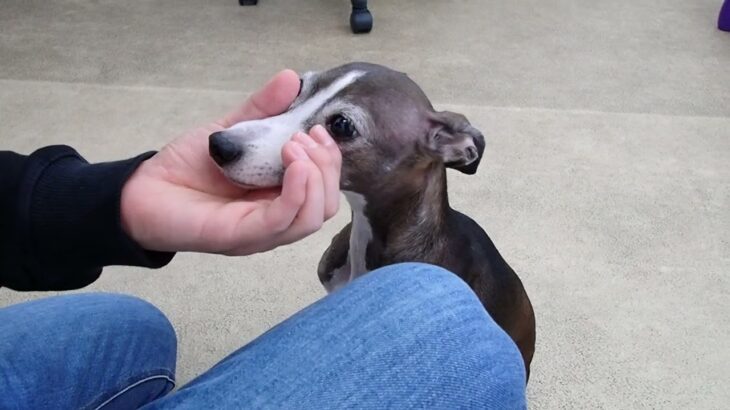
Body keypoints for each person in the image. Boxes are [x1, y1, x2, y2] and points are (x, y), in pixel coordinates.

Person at [0, 70, 527, 409]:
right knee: (458, 342)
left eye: (339, 127)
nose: (256, 136)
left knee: (134, 326)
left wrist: (119, 199)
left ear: (450, 150)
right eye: (305, 94)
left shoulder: (455, 279)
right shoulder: (340, 259)